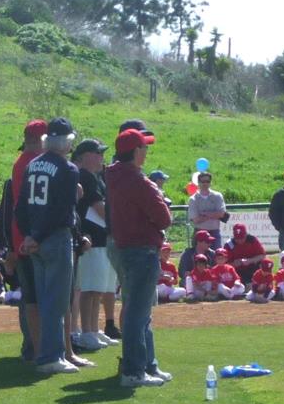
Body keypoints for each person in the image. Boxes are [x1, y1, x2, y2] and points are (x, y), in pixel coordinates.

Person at [104, 126, 173, 387]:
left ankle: (146, 365)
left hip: (124, 247)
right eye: (144, 147)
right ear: (135, 151)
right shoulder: (138, 181)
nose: (146, 151)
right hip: (141, 249)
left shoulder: (113, 176)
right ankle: (134, 371)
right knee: (138, 313)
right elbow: (164, 218)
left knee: (137, 311)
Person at [16, 117, 86, 374]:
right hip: (55, 238)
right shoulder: (68, 169)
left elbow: (20, 207)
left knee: (45, 299)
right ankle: (51, 356)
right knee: (56, 302)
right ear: (67, 142)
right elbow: (62, 211)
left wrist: (29, 236)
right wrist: (39, 235)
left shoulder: (32, 165)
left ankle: (49, 353)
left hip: (35, 239)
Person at [4, 120, 48, 362]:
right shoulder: (32, 163)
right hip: (32, 238)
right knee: (36, 299)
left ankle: (34, 348)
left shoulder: (22, 162)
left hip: (22, 238)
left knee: (31, 297)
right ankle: (38, 349)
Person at [72, 139, 115, 351]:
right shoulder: (85, 176)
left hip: (99, 238)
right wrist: (117, 223)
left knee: (97, 289)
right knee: (89, 289)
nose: (101, 157)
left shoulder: (95, 177)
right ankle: (86, 330)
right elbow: (99, 208)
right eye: (97, 153)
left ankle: (93, 328)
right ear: (86, 155)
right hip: (91, 239)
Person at [187, 172, 227, 246]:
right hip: (199, 233)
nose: (205, 184)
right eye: (203, 181)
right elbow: (196, 220)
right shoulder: (193, 199)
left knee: (216, 256)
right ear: (198, 183)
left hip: (214, 232)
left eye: (207, 181)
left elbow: (222, 214)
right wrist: (214, 214)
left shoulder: (218, 196)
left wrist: (204, 214)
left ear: (210, 183)